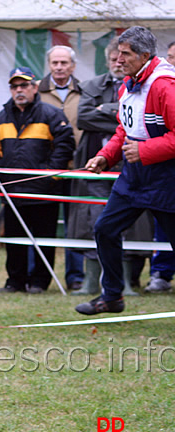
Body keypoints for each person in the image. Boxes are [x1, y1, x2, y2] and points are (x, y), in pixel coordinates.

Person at [75, 26, 175, 315]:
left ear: (144, 55)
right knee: (105, 230)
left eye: (125, 54)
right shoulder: (128, 84)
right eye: (118, 52)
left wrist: (144, 151)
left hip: (166, 179)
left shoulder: (164, 85)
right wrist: (105, 156)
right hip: (133, 177)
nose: (118, 59)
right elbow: (124, 129)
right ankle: (112, 297)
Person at [69, 38, 152, 297]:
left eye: (124, 56)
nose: (119, 62)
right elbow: (83, 118)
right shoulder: (92, 85)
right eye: (115, 57)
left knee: (134, 223)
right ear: (108, 60)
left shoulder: (149, 86)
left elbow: (138, 121)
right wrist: (120, 119)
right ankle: (94, 283)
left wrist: (106, 110)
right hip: (99, 164)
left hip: (135, 164)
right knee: (96, 221)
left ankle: (126, 282)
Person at [0, 67, 75, 294]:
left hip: (44, 191)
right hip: (12, 191)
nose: (19, 90)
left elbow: (65, 146)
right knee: (14, 240)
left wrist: (50, 174)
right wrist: (0, 174)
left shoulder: (51, 114)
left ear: (34, 88)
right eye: (15, 86)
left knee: (43, 239)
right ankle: (15, 281)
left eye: (24, 85)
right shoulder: (1, 117)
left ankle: (40, 282)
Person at [38, 45, 84, 291]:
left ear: (73, 66)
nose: (59, 67)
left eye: (64, 63)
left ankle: (75, 277)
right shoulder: (37, 90)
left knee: (75, 225)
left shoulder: (86, 91)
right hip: (45, 169)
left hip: (77, 168)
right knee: (42, 222)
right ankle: (40, 277)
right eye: (55, 63)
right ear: (49, 65)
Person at [144, 40, 175, 294]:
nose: (171, 63)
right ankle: (161, 273)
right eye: (170, 57)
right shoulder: (160, 87)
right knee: (164, 222)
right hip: (165, 168)